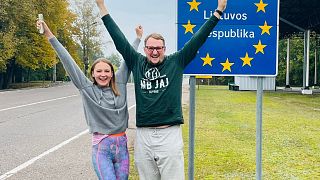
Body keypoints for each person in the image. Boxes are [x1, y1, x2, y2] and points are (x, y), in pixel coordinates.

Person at [95, 0, 227, 179]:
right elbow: (118, 39)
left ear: (164, 49)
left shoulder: (176, 61)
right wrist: (101, 6)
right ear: (145, 49)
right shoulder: (137, 62)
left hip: (169, 134)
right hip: (143, 136)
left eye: (158, 48)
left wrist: (218, 11)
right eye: (150, 48)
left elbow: (198, 39)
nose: (155, 52)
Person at [36, 20, 143, 179]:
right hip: (102, 149)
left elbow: (129, 57)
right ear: (92, 74)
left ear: (112, 73)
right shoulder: (87, 89)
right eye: (98, 71)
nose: (103, 74)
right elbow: (67, 60)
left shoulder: (120, 82)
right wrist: (48, 34)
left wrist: (138, 39)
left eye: (107, 71)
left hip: (122, 147)